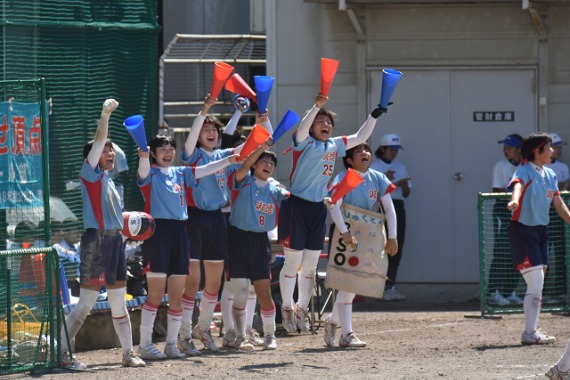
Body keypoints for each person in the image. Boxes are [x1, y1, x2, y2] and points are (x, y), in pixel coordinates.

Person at [277, 92, 386, 333]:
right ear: (311, 124)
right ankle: (287, 307)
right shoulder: (303, 142)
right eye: (320, 121)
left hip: (317, 209)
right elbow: (303, 128)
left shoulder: (334, 145)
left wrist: (374, 115)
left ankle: (302, 309)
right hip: (296, 205)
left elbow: (360, 136)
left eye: (328, 122)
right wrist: (316, 106)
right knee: (293, 261)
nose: (325, 125)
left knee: (310, 265)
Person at [178, 95, 272, 353]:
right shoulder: (192, 154)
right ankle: (184, 335)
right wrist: (204, 109)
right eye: (205, 129)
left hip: (218, 219)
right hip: (194, 218)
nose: (209, 133)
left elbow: (255, 146)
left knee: (214, 283)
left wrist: (262, 122)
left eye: (214, 130)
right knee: (192, 281)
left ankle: (203, 328)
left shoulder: (225, 155)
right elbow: (191, 140)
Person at [59, 99, 145, 369]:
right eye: (105, 150)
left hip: (114, 241)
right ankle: (61, 354)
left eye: (112, 150)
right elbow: (97, 142)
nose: (110, 153)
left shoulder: (108, 180)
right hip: (95, 240)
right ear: (93, 157)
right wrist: (105, 116)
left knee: (120, 302)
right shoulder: (89, 173)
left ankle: (128, 354)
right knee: (86, 303)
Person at [136, 134, 239, 360]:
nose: (167, 153)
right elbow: (143, 171)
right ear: (153, 153)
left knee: (176, 294)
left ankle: (172, 345)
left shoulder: (181, 173)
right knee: (155, 294)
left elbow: (206, 169)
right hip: (158, 233)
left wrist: (227, 161)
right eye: (162, 149)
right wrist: (143, 158)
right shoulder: (150, 173)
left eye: (171, 148)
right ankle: (145, 345)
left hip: (181, 233)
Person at [323, 143, 398, 347]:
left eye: (366, 150)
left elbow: (389, 209)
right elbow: (334, 206)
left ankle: (332, 322)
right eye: (358, 151)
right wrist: (345, 233)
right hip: (345, 233)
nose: (364, 153)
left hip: (369, 234)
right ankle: (346, 334)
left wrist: (393, 236)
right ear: (349, 160)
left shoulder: (378, 178)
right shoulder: (342, 178)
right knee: (348, 282)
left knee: (355, 284)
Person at [506, 132, 570, 347]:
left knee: (538, 282)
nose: (553, 151)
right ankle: (530, 332)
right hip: (523, 231)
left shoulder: (550, 174)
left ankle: (532, 330)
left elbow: (559, 205)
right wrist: (514, 202)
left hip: (542, 231)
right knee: (536, 282)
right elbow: (517, 187)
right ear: (537, 151)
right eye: (549, 147)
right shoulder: (524, 170)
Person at [227, 142, 289, 350]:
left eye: (272, 162)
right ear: (254, 164)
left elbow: (292, 201)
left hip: (260, 241)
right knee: (241, 292)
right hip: (236, 239)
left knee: (264, 292)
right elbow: (243, 167)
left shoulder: (275, 189)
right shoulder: (244, 180)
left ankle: (270, 335)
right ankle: (240, 335)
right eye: (264, 160)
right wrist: (261, 148)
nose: (268, 164)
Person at [370, 133, 411, 301]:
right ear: (383, 149)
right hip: (380, 209)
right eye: (391, 150)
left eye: (396, 150)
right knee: (378, 247)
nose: (393, 153)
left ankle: (391, 286)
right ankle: (376, 286)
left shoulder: (401, 166)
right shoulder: (375, 167)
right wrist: (389, 180)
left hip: (397, 206)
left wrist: (404, 184)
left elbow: (407, 193)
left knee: (396, 246)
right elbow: (371, 192)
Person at [487, 134, 524, 306]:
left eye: (509, 147)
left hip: (522, 213)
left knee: (519, 252)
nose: (505, 151)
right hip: (503, 210)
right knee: (502, 251)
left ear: (519, 149)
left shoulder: (525, 166)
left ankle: (509, 291)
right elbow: (497, 191)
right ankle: (493, 292)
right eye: (505, 147)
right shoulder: (501, 166)